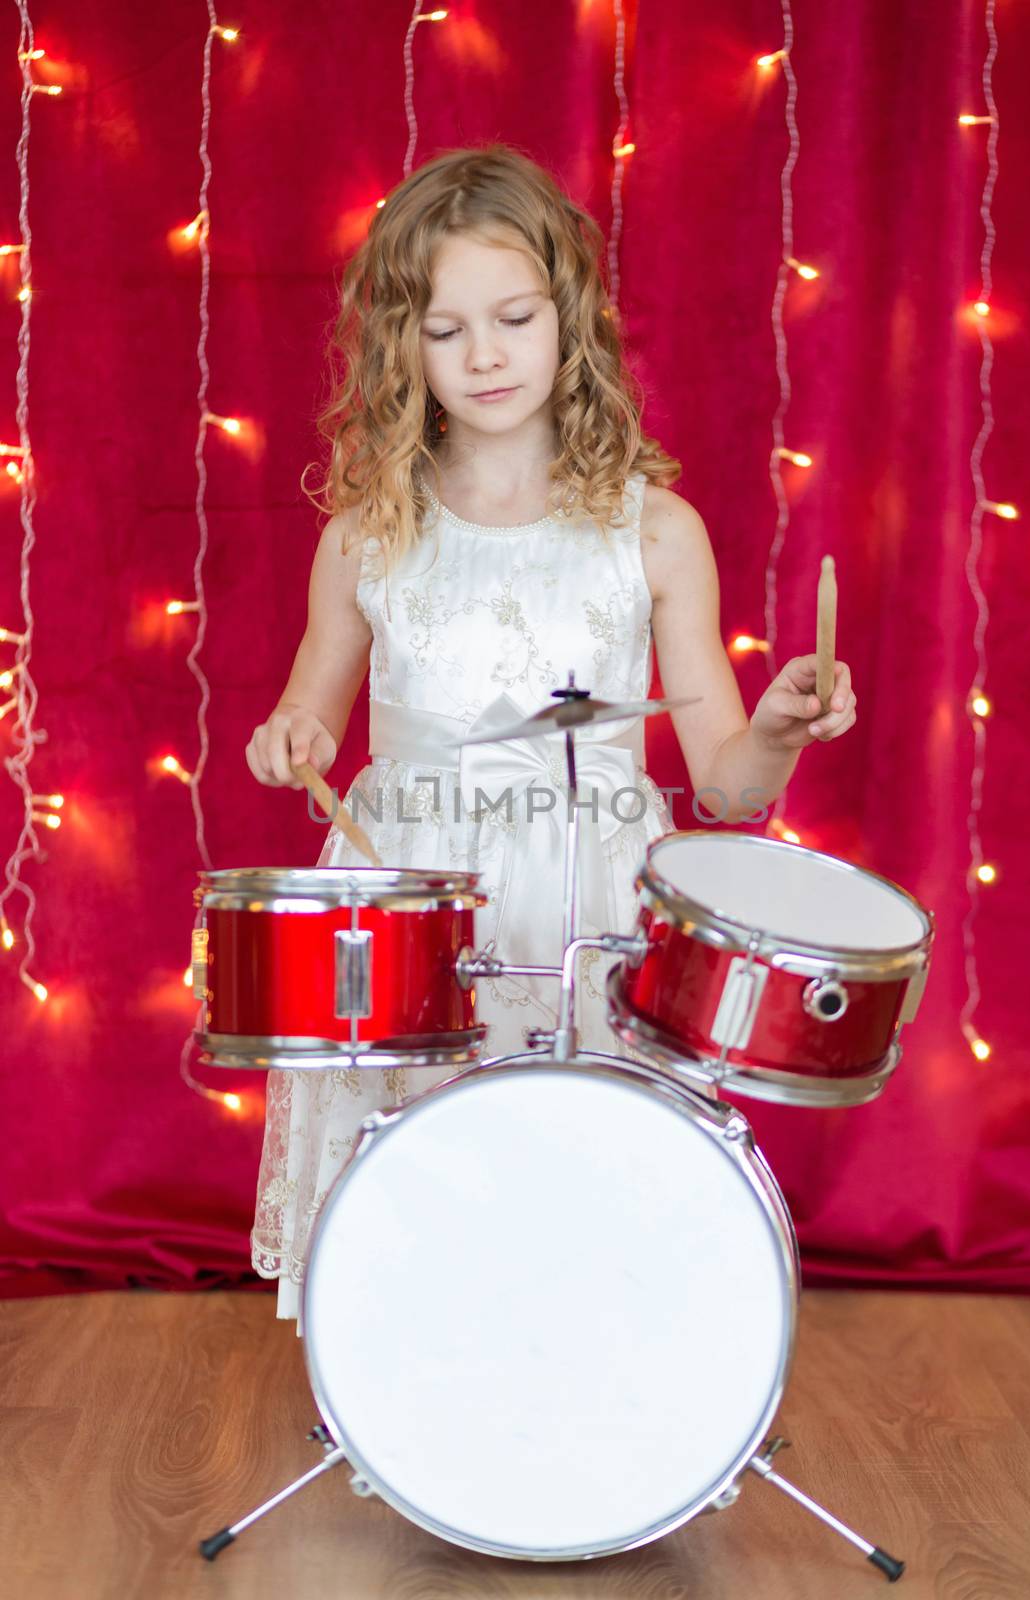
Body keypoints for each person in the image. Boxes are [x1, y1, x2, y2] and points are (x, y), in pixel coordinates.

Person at [245, 144, 857, 1326]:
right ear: (399, 347)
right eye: (444, 329)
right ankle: (414, 1401)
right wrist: (288, 739)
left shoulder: (656, 532)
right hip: (415, 894)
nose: (482, 355)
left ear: (566, 320)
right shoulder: (368, 532)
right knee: (422, 1177)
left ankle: (584, 1415)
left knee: (575, 1186)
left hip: (592, 900)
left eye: (513, 318)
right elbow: (308, 713)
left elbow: (725, 788)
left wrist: (778, 725)